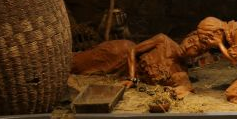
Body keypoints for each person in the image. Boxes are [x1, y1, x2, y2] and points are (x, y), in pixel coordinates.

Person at [70, 31, 209, 99]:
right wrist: (132, 78)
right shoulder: (163, 40)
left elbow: (184, 89)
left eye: (195, 49)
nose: (188, 47)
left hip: (119, 76)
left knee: (84, 72)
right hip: (120, 54)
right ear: (186, 37)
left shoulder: (180, 73)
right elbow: (132, 50)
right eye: (190, 41)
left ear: (197, 55)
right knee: (75, 63)